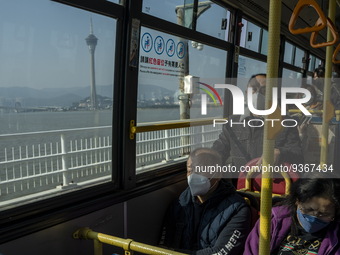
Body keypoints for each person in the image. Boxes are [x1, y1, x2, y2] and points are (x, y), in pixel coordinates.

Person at [159, 147, 251, 255]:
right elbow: (164, 246)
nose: (193, 176)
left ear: (218, 174)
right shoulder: (179, 205)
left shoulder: (237, 209)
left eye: (201, 170)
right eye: (190, 171)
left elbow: (221, 252)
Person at [212, 74, 303, 176]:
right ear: (246, 93)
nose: (257, 95)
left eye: (264, 90)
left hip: (274, 185)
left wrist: (280, 153)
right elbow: (219, 149)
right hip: (239, 184)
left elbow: (297, 155)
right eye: (253, 90)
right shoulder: (233, 122)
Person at [243, 174, 340, 254]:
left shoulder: (335, 236)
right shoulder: (273, 220)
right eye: (309, 209)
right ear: (297, 201)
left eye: (324, 214)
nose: (314, 217)